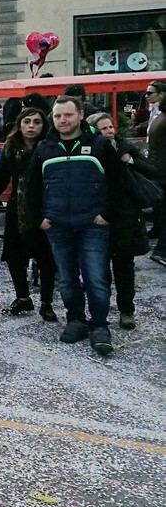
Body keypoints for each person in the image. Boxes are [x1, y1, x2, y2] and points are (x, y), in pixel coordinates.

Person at [25, 96, 125, 357]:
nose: (62, 120)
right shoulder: (45, 148)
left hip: (93, 224)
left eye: (68, 115)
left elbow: (119, 183)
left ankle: (100, 326)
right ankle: (76, 320)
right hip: (58, 225)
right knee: (68, 279)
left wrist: (107, 215)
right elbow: (32, 187)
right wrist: (39, 218)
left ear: (80, 115)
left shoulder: (100, 145)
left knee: (95, 278)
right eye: (58, 116)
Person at [0, 107, 57, 320]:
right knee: (14, 256)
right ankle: (23, 297)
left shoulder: (49, 147)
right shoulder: (12, 146)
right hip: (17, 208)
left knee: (46, 257)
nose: (31, 126)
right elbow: (1, 174)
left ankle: (47, 303)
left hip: (43, 206)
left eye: (36, 122)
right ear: (20, 125)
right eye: (27, 122)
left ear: (43, 125)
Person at [87, 112, 150, 329]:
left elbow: (152, 170)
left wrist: (130, 161)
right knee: (99, 269)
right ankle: (100, 310)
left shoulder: (125, 148)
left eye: (110, 127)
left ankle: (126, 310)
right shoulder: (90, 151)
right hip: (99, 214)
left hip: (126, 216)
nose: (109, 132)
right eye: (103, 128)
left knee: (124, 267)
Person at [146, 81, 166, 265]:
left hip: (158, 170)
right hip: (162, 171)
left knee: (161, 209)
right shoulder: (161, 119)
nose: (147, 96)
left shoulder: (159, 117)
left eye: (149, 93)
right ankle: (162, 250)